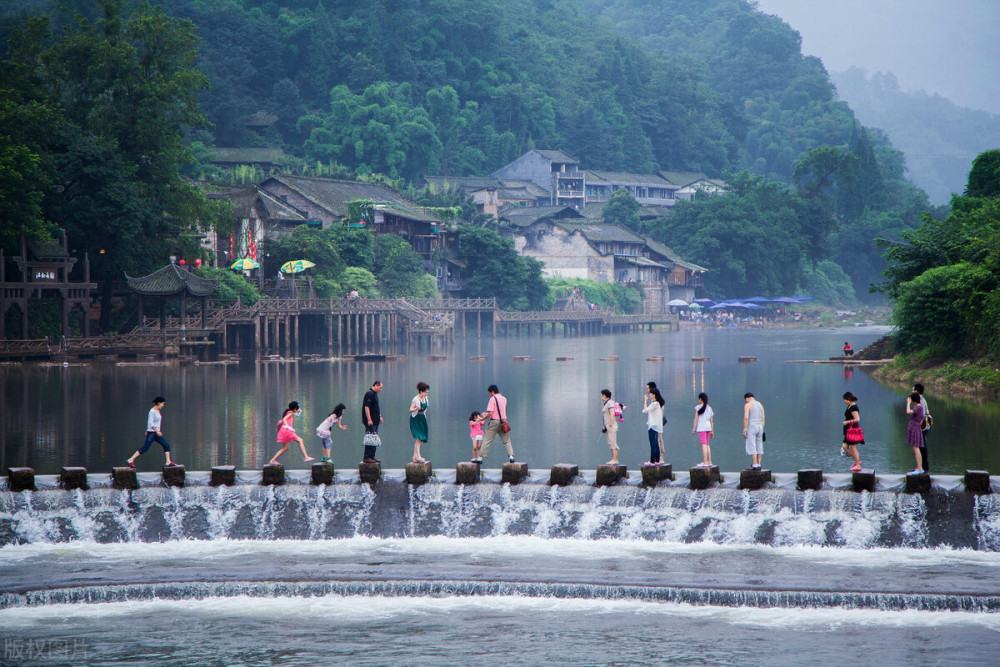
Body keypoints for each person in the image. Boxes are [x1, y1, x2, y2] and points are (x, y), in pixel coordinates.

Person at [127, 396, 177, 468]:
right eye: (162, 404)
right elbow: (150, 423)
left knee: (166, 445)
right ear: (158, 403)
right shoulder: (152, 411)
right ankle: (130, 460)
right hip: (152, 433)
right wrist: (156, 431)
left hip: (155, 433)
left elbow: (153, 422)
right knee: (145, 448)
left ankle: (168, 461)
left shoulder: (157, 410)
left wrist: (151, 430)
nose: (163, 405)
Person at [481, 385, 515, 463]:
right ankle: (511, 457)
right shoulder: (504, 399)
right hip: (503, 422)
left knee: (487, 439)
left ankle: (480, 458)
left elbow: (490, 413)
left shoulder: (492, 399)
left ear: (492, 391)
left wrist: (483, 418)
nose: (490, 394)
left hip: (494, 422)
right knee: (506, 441)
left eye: (490, 393)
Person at [361, 381, 383, 463]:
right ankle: (367, 457)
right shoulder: (369, 394)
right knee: (370, 437)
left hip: (375, 420)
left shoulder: (374, 394)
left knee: (374, 438)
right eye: (380, 387)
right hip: (370, 421)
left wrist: (379, 416)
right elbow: (366, 407)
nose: (381, 389)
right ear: (376, 386)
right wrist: (369, 419)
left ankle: (372, 456)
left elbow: (375, 407)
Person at [742, 392, 765, 470]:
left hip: (752, 426)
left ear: (747, 398)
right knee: (759, 444)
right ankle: (759, 464)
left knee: (752, 444)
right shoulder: (760, 405)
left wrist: (744, 430)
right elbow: (763, 418)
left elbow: (746, 417)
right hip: (760, 426)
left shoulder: (748, 405)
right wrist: (762, 428)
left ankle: (754, 464)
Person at [841, 392, 863, 472]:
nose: (844, 401)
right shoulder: (849, 406)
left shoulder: (854, 407)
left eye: (845, 399)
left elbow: (857, 419)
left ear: (848, 399)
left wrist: (847, 422)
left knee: (853, 448)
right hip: (848, 431)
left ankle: (857, 465)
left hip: (852, 430)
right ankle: (856, 461)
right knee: (845, 446)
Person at [642, 387, 665, 466]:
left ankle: (652, 461)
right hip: (657, 426)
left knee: (653, 444)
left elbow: (645, 410)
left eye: (650, 394)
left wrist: (645, 401)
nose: (649, 396)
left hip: (652, 426)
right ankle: (657, 461)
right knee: (656, 444)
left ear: (654, 395)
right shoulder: (658, 404)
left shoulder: (654, 404)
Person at [409, 381, 430, 464]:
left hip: (422, 418)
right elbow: (410, 409)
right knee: (419, 437)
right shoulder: (416, 399)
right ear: (421, 391)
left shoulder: (425, 399)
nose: (427, 394)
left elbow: (425, 410)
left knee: (420, 438)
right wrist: (416, 409)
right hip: (416, 419)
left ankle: (415, 456)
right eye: (426, 392)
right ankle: (418, 456)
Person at [913, 383, 932, 472]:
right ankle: (923, 467)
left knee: (922, 447)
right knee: (922, 447)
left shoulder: (920, 401)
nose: (912, 392)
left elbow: (921, 415)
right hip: (925, 427)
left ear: (916, 391)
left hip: (922, 428)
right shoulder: (922, 400)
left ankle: (924, 468)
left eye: (913, 390)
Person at [905, 391, 926, 474]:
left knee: (916, 448)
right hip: (915, 427)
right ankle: (918, 467)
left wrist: (908, 403)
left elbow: (908, 411)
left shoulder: (919, 408)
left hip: (915, 428)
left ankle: (920, 468)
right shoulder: (918, 408)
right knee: (914, 448)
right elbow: (920, 420)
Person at [692, 392, 714, 468]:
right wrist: (712, 431)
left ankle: (705, 462)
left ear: (700, 399)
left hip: (702, 428)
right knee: (707, 444)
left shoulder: (698, 407)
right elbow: (711, 420)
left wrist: (694, 429)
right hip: (708, 427)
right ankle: (709, 461)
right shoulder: (710, 408)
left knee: (703, 444)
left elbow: (695, 419)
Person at [600, 389, 620, 465]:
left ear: (604, 395)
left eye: (602, 395)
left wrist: (610, 424)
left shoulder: (610, 403)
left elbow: (612, 413)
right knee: (610, 442)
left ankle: (615, 459)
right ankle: (613, 458)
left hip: (611, 426)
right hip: (607, 426)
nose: (601, 397)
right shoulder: (606, 403)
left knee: (613, 442)